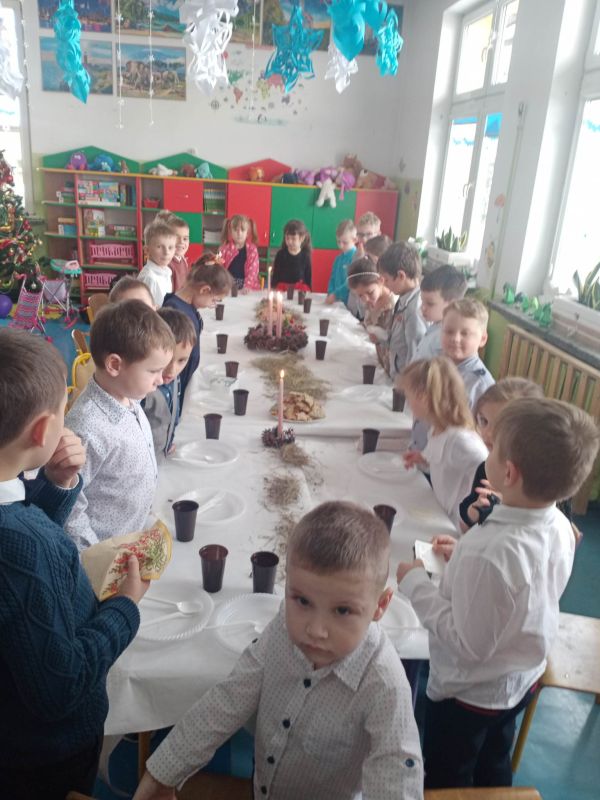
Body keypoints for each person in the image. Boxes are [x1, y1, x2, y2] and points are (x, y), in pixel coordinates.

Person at [133, 501, 423, 800]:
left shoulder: (384, 685)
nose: (316, 630)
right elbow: (230, 698)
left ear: (380, 606)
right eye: (303, 601)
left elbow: (397, 773)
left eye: (342, 610)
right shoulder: (283, 629)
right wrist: (163, 773)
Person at [397, 398, 600, 789]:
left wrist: (415, 583)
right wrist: (462, 556)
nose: (485, 449)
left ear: (508, 472)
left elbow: (466, 643)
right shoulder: (559, 525)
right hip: (520, 679)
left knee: (448, 776)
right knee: (494, 759)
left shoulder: (489, 551)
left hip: (469, 695)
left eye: (492, 448)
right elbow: (526, 582)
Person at [0, 329, 148, 800]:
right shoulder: (21, 545)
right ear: (43, 431)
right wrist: (124, 607)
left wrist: (57, 483)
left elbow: (20, 549)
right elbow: (61, 687)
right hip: (45, 759)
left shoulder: (16, 525)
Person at [65, 301, 175, 551]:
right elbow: (70, 507)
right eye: (153, 371)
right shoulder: (86, 428)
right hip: (106, 552)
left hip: (132, 534)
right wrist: (97, 558)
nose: (161, 380)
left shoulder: (129, 396)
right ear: (115, 365)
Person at [400, 357, 488, 531]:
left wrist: (476, 511)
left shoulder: (460, 440)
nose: (408, 403)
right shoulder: (436, 428)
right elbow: (444, 462)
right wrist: (424, 458)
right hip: (437, 509)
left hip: (454, 525)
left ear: (423, 398)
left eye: (408, 397)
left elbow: (485, 467)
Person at [456, 378, 544, 532]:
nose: (487, 433)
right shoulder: (487, 467)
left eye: (500, 426)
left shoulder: (541, 478)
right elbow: (466, 519)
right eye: (484, 421)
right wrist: (474, 511)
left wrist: (509, 504)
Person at [162, 254, 232, 407]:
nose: (212, 305)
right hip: (172, 384)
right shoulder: (175, 311)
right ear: (205, 290)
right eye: (214, 300)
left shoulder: (188, 307)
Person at [143, 308, 196, 459]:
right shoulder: (142, 390)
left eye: (182, 360)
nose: (172, 370)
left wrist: (167, 442)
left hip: (161, 453)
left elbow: (171, 415)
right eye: (167, 361)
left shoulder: (174, 379)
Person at [378, 242, 427, 379]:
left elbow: (415, 353)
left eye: (386, 280)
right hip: (396, 373)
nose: (384, 284)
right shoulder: (404, 297)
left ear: (401, 276)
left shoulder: (414, 309)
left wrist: (407, 384)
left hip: (406, 380)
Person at [441, 298, 494, 409]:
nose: (455, 339)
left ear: (482, 339)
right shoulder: (439, 366)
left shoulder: (481, 385)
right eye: (449, 331)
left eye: (465, 333)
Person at [347, 257, 396, 373]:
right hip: (380, 360)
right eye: (360, 295)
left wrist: (380, 339)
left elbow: (397, 342)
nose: (365, 299)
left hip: (393, 365)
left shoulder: (393, 305)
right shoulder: (370, 301)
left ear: (380, 281)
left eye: (370, 292)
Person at [411, 265, 467, 362]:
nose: (422, 308)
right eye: (422, 301)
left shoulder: (448, 340)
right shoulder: (435, 325)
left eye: (430, 304)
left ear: (452, 305)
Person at [138, 219, 177, 306]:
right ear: (147, 250)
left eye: (170, 247)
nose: (166, 252)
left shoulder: (166, 271)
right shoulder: (149, 277)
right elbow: (145, 308)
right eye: (159, 247)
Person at [218, 214, 260, 292]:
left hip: (248, 288)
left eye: (242, 230)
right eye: (235, 230)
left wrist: (247, 286)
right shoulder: (223, 249)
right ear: (231, 232)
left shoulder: (252, 249)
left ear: (247, 233)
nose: (239, 233)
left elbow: (253, 271)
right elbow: (218, 268)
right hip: (228, 287)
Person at [156, 210, 191, 293]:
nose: (181, 242)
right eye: (176, 238)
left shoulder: (182, 260)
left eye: (185, 239)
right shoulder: (167, 264)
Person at [272, 219, 312, 290]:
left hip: (298, 292)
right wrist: (273, 288)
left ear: (302, 238)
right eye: (287, 238)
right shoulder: (280, 254)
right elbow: (275, 277)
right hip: (282, 291)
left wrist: (309, 292)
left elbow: (308, 280)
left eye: (293, 239)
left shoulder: (305, 256)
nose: (290, 241)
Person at [325, 219, 357, 306]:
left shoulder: (356, 257)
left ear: (355, 240)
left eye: (345, 242)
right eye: (338, 242)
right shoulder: (338, 259)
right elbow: (332, 278)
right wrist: (330, 292)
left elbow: (351, 281)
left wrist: (335, 294)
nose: (341, 246)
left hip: (349, 303)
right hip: (336, 302)